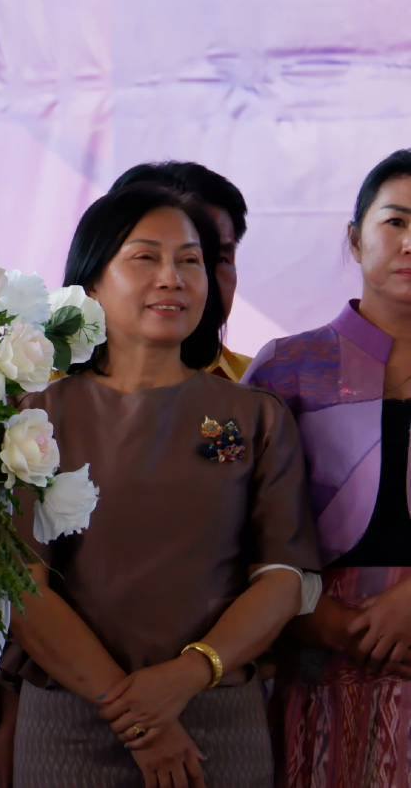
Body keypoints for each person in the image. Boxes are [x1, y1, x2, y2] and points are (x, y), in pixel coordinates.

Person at [8, 184, 318, 787]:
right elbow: (22, 588)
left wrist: (186, 676)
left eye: (191, 260)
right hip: (73, 719)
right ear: (92, 281)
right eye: (145, 258)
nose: (172, 278)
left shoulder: (256, 416)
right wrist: (137, 715)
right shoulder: (34, 414)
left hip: (217, 719)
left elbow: (285, 577)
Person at [246, 149, 411, 786]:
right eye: (395, 221)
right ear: (355, 236)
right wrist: (319, 618)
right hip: (318, 661)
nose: (409, 242)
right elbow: (238, 526)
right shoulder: (288, 368)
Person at [109, 161, 251, 381]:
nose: (177, 280)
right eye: (149, 257)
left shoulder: (263, 388)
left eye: (220, 258)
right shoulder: (44, 388)